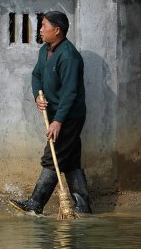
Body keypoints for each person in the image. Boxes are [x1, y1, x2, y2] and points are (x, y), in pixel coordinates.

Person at [9, 11, 92, 215]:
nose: (40, 29)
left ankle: (36, 204)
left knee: (51, 157)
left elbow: (70, 93)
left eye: (44, 25)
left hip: (69, 116)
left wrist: (58, 121)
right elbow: (36, 74)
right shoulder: (44, 50)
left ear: (57, 30)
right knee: (70, 161)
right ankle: (83, 207)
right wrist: (37, 96)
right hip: (57, 115)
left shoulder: (69, 56)